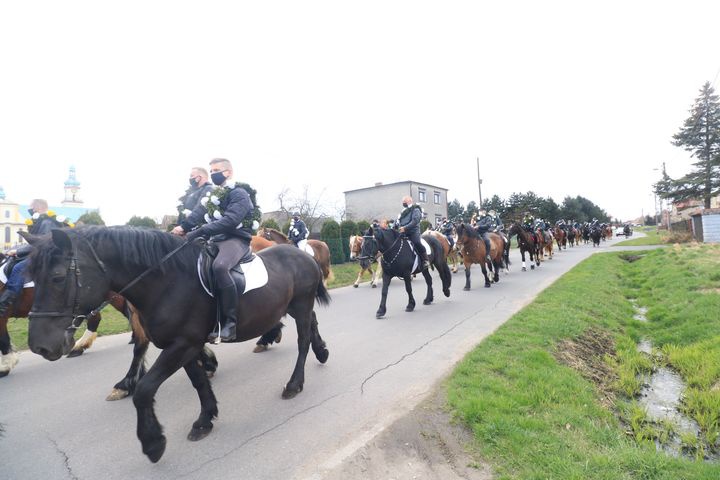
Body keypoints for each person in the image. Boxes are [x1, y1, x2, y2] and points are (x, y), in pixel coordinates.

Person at [171, 158, 254, 343]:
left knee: (220, 267)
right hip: (214, 239)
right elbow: (198, 214)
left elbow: (230, 220)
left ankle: (230, 324)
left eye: (216, 170)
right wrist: (182, 228)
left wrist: (198, 231)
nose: (213, 173)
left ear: (228, 172)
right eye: (211, 169)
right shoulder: (213, 196)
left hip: (236, 239)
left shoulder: (239, 194)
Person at [0, 199, 61, 318]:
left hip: (45, 256)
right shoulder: (43, 221)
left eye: (31, 209)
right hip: (41, 253)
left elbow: (40, 243)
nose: (30, 211)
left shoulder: (46, 222)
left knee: (18, 268)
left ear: (36, 208)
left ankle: (6, 303)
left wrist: (17, 251)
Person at [397, 195, 428, 269]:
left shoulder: (416, 209)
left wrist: (405, 228)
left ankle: (425, 260)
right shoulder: (403, 211)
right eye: (403, 201)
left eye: (405, 201)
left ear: (410, 201)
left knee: (417, 242)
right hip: (403, 231)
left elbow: (415, 221)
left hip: (413, 231)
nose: (403, 202)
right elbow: (399, 221)